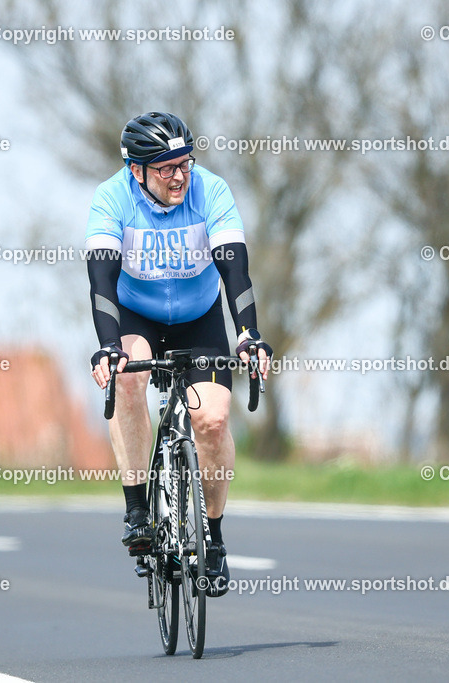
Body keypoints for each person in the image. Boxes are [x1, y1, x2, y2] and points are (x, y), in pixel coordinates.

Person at [86, 111, 271, 597]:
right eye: (165, 167)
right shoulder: (111, 199)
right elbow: (102, 282)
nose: (179, 175)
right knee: (128, 378)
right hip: (136, 315)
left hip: (199, 315)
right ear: (137, 170)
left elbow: (236, 273)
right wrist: (108, 345)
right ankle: (135, 508)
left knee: (211, 421)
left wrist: (249, 334)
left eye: (184, 163)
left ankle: (213, 536)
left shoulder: (212, 192)